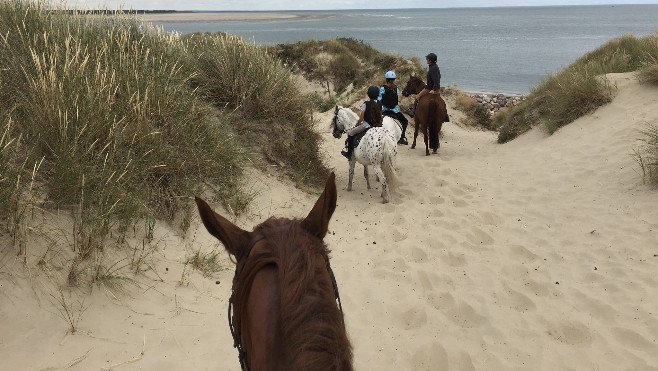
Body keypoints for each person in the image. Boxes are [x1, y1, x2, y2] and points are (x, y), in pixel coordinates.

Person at [341, 85, 383, 159]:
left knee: (350, 133)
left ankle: (349, 153)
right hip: (378, 125)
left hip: (367, 125)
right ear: (377, 95)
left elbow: (361, 119)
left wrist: (357, 125)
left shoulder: (365, 104)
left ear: (368, 95)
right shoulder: (380, 104)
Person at [378, 71, 409, 145]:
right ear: (394, 80)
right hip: (394, 112)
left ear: (386, 79)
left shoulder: (382, 88)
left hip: (384, 111)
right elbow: (396, 101)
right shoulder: (396, 89)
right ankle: (402, 137)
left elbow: (379, 100)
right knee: (405, 122)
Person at [412, 52, 443, 118]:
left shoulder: (432, 69)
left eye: (427, 59)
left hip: (429, 88)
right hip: (432, 88)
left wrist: (434, 90)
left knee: (417, 97)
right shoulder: (435, 67)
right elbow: (438, 77)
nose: (426, 60)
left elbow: (436, 80)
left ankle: (414, 113)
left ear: (430, 60)